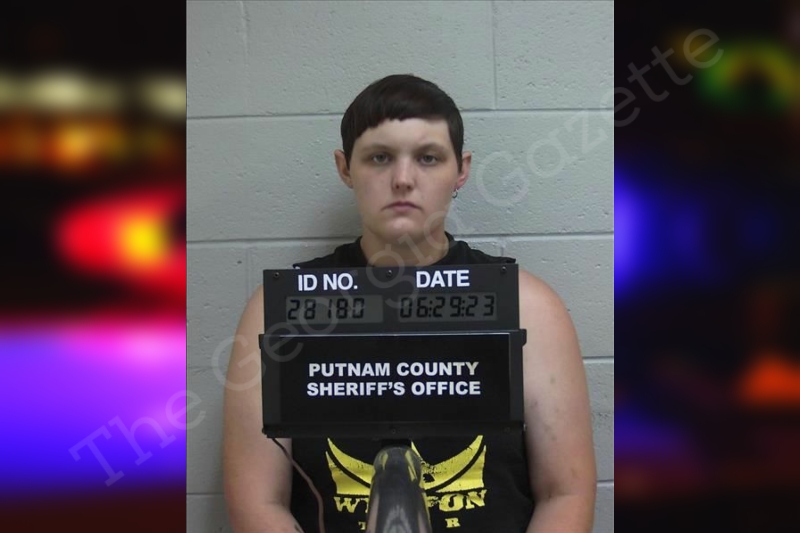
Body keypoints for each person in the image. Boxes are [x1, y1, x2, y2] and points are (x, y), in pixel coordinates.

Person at [223, 74, 596, 532]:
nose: (403, 180)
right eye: (379, 158)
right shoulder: (284, 309)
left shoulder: (529, 307)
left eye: (428, 158)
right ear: (345, 168)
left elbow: (566, 492)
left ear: (461, 170)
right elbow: (258, 501)